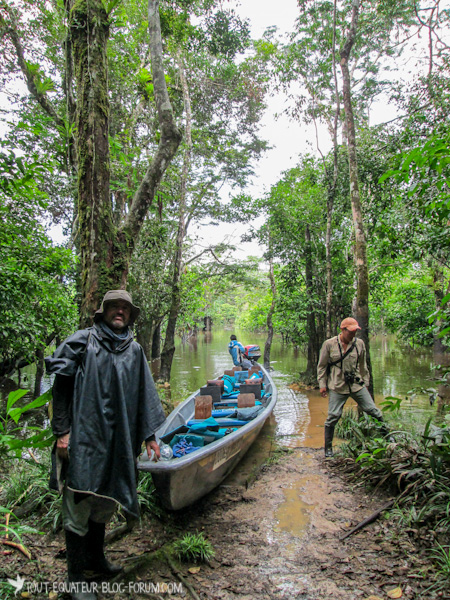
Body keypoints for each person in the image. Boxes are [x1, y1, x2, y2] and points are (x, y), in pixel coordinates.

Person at [45, 290, 166, 600]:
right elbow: (61, 388)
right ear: (103, 311)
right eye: (115, 307)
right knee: (80, 498)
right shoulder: (83, 342)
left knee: (104, 501)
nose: (120, 312)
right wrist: (62, 432)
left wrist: (150, 436)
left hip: (118, 439)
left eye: (125, 308)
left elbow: (144, 396)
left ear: (129, 315)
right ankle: (75, 580)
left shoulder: (134, 351)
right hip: (85, 438)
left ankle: (96, 559)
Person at [317, 317, 389, 457]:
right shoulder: (329, 344)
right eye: (350, 331)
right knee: (333, 416)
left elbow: (363, 366)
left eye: (355, 331)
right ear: (343, 330)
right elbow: (322, 366)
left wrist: (366, 384)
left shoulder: (359, 344)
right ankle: (328, 449)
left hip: (356, 384)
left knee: (373, 411)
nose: (353, 334)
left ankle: (388, 437)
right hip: (337, 385)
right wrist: (322, 385)